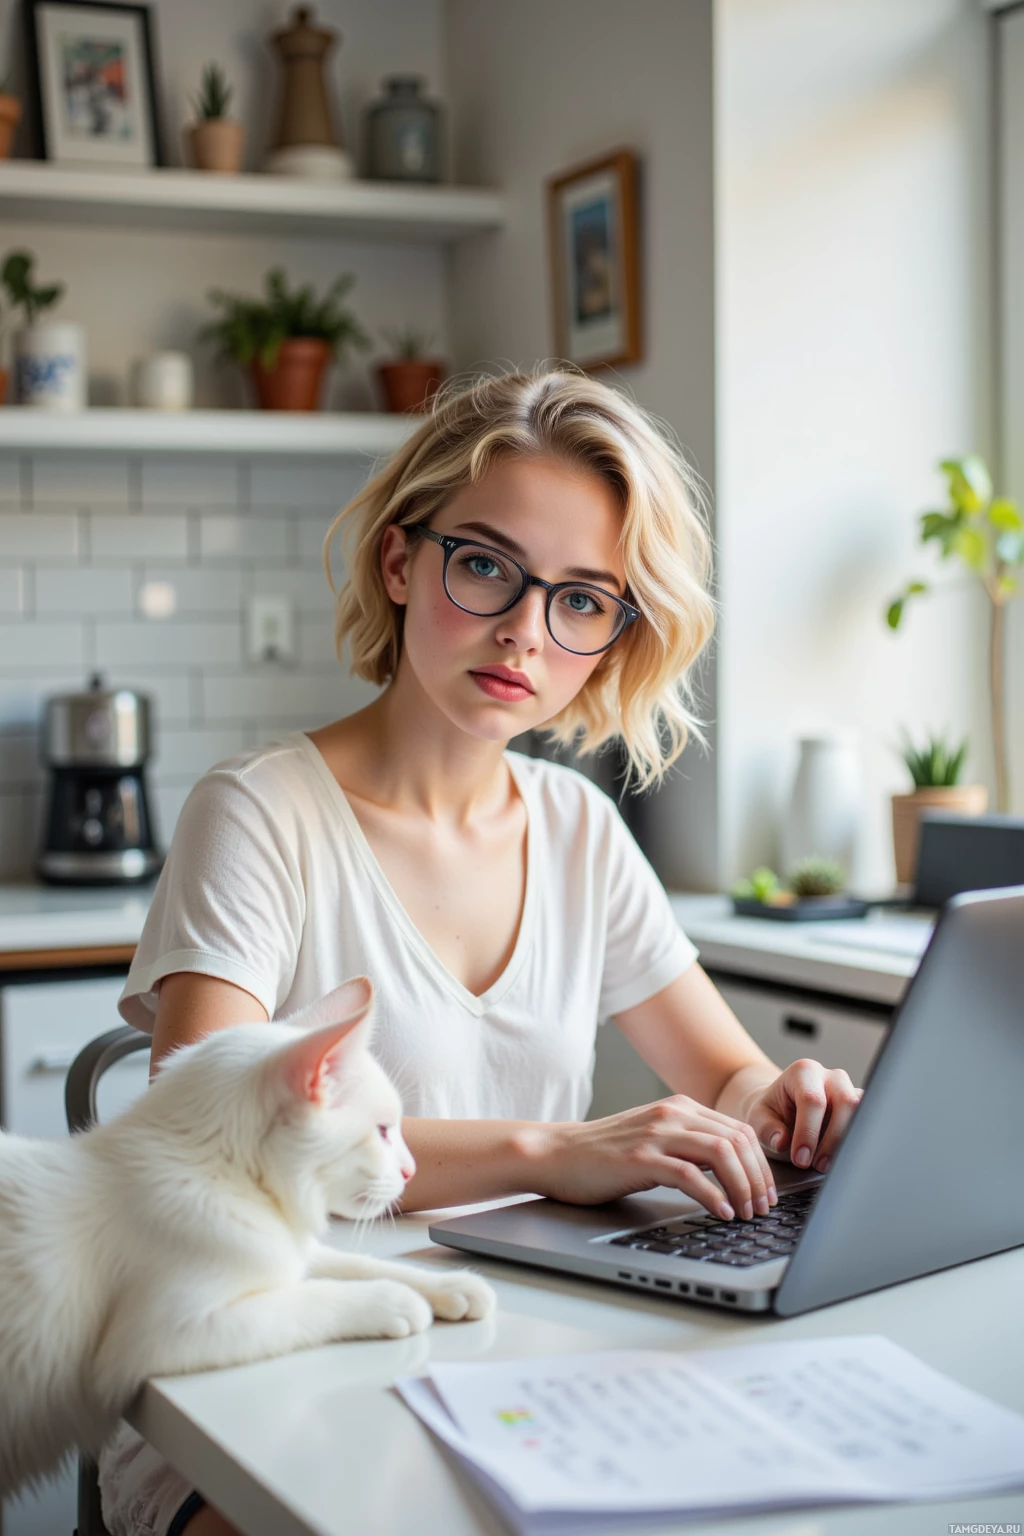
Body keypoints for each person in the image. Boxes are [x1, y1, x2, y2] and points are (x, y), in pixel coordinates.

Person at [98, 368, 861, 1536]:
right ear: (402, 564)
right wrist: (553, 1149)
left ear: (612, 635)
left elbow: (726, 1076)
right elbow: (201, 1142)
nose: (523, 631)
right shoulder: (258, 810)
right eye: (487, 566)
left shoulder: (576, 829)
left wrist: (788, 1099)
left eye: (583, 599)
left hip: (511, 1351)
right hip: (259, 1362)